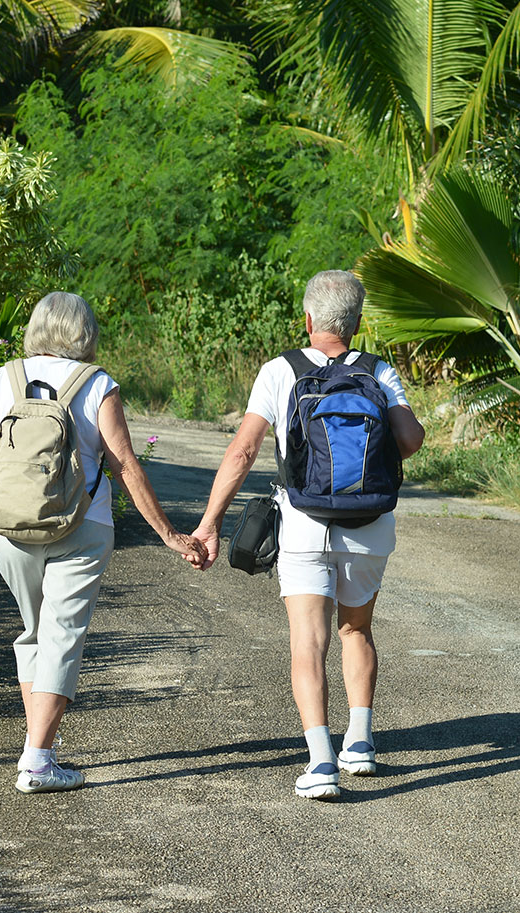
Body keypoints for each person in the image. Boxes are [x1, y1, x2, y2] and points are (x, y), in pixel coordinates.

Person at [0, 291, 205, 794]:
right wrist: (170, 534)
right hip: (81, 525)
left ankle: (37, 749)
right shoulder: (97, 385)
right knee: (63, 635)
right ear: (85, 334)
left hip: (8, 527)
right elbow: (125, 466)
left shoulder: (3, 378)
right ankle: (37, 759)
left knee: (35, 633)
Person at [190, 270, 425, 799]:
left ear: (308, 319)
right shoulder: (379, 372)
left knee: (308, 641)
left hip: (302, 524)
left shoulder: (280, 371)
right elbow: (410, 440)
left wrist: (210, 524)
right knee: (355, 631)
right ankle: (359, 744)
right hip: (369, 525)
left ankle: (321, 763)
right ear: (357, 321)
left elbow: (243, 451)